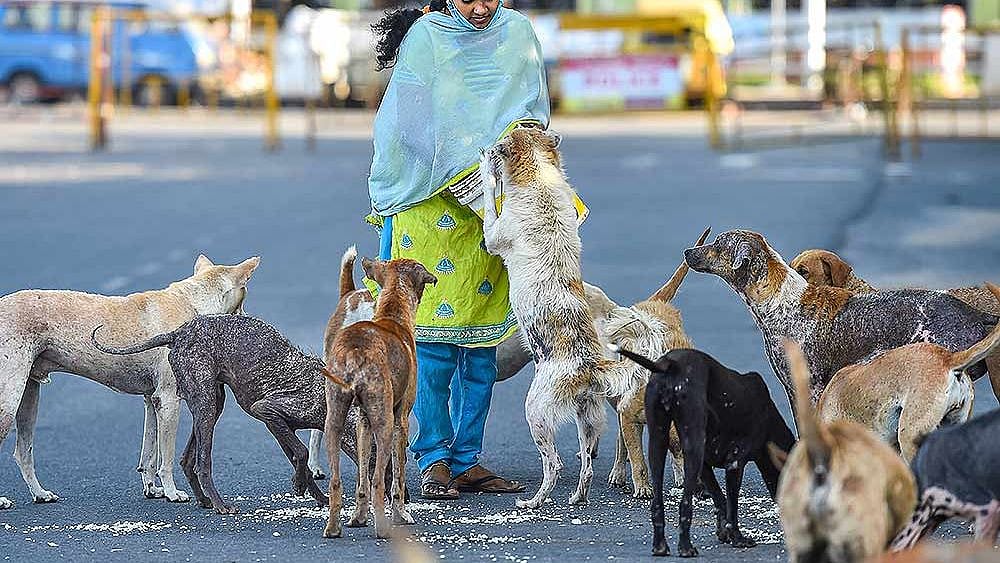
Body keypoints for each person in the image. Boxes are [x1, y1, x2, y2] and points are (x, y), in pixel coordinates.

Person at [366, 0, 548, 499]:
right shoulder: (427, 38)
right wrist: (458, 171)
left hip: (487, 215)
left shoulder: (517, 35)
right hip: (431, 207)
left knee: (480, 353)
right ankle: (432, 458)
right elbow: (411, 128)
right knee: (433, 349)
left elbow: (529, 114)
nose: (481, 7)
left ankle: (468, 460)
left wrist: (524, 172)